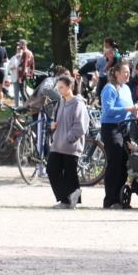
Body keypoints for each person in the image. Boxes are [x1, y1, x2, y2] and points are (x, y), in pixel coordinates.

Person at [100, 62, 138, 208]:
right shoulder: (110, 88)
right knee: (114, 162)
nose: (128, 74)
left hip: (125, 127)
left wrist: (135, 109)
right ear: (116, 73)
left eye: (129, 71)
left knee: (124, 162)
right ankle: (110, 200)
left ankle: (121, 198)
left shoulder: (126, 88)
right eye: (125, 71)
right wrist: (128, 108)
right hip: (111, 128)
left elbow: (128, 107)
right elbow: (108, 109)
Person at [47, 74, 88, 208]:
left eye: (62, 87)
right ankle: (69, 197)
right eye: (58, 87)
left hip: (71, 146)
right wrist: (54, 126)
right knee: (52, 169)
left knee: (69, 174)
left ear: (70, 87)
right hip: (58, 144)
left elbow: (80, 125)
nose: (59, 90)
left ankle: (68, 201)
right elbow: (59, 120)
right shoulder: (61, 102)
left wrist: (68, 138)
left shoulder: (78, 103)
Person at [15, 39, 34, 107]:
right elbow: (32, 65)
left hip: (23, 74)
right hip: (26, 74)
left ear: (23, 45)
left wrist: (20, 77)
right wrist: (31, 73)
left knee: (23, 91)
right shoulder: (30, 52)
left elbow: (24, 65)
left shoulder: (25, 53)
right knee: (24, 90)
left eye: (20, 44)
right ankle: (29, 104)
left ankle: (28, 106)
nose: (19, 46)